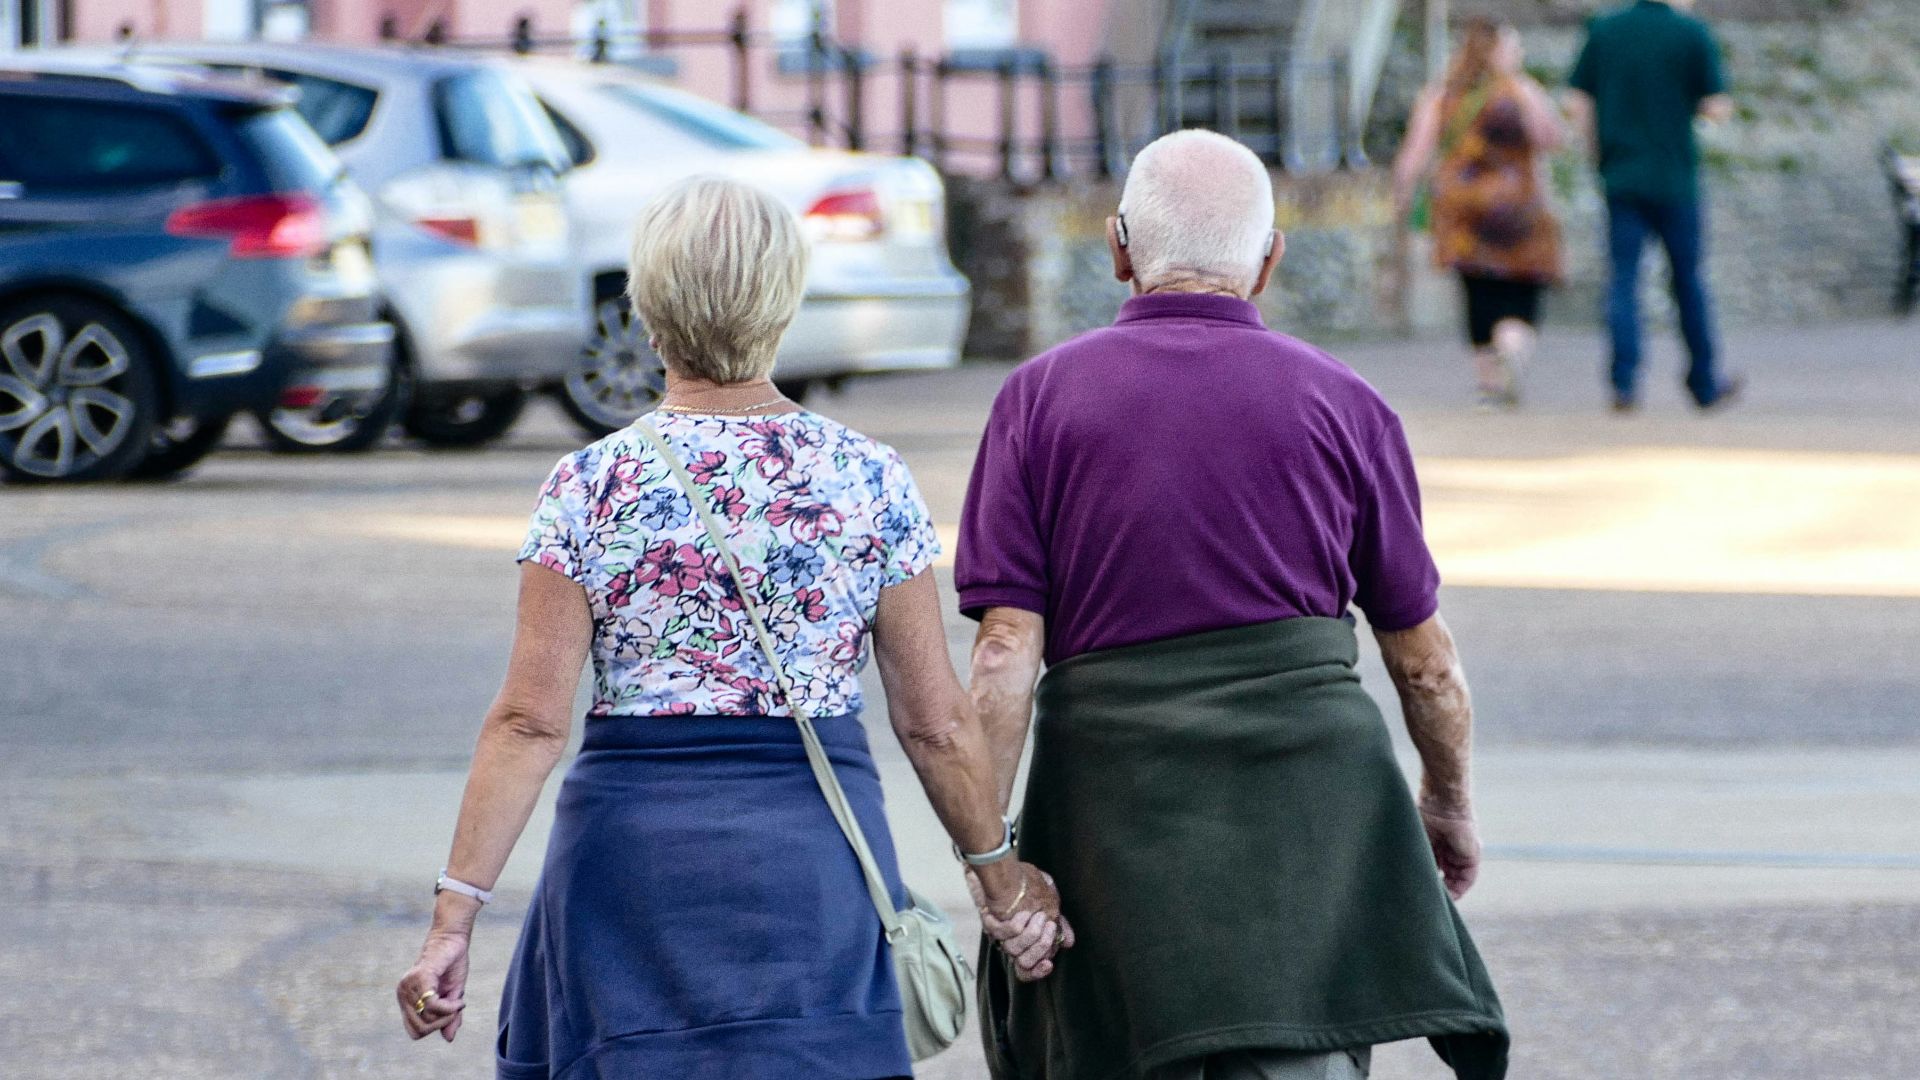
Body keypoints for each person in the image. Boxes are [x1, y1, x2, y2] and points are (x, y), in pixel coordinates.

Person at [394, 176, 1070, 1079]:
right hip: (813, 878)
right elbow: (936, 723)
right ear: (783, 301)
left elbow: (528, 724)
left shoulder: (589, 485)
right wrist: (1000, 883)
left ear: (648, 309)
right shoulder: (866, 479)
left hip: (625, 883)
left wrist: (454, 919)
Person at [958, 130, 1509, 1080]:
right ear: (1269, 258)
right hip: (1310, 840)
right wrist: (1448, 803)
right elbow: (1425, 661)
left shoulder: (1037, 400)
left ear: (1119, 247)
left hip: (1110, 841)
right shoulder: (1348, 406)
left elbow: (1006, 653)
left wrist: (995, 862)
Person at [1568, 0, 1743, 412]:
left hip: (1622, 176)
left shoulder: (1605, 30)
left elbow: (1578, 102)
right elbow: (1717, 105)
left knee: (1624, 279)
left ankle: (1623, 380)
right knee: (1687, 280)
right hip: (1674, 178)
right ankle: (1703, 381)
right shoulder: (1690, 33)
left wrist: (1598, 154)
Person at [1394, 14, 1565, 409]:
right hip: (1519, 206)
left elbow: (1415, 153)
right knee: (1523, 286)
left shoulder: (1442, 94)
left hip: (1463, 209)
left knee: (1476, 290)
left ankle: (1489, 381)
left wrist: (1402, 196)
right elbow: (1551, 139)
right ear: (1498, 51)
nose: (1520, 52)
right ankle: (1512, 342)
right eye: (1514, 45)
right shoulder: (1521, 91)